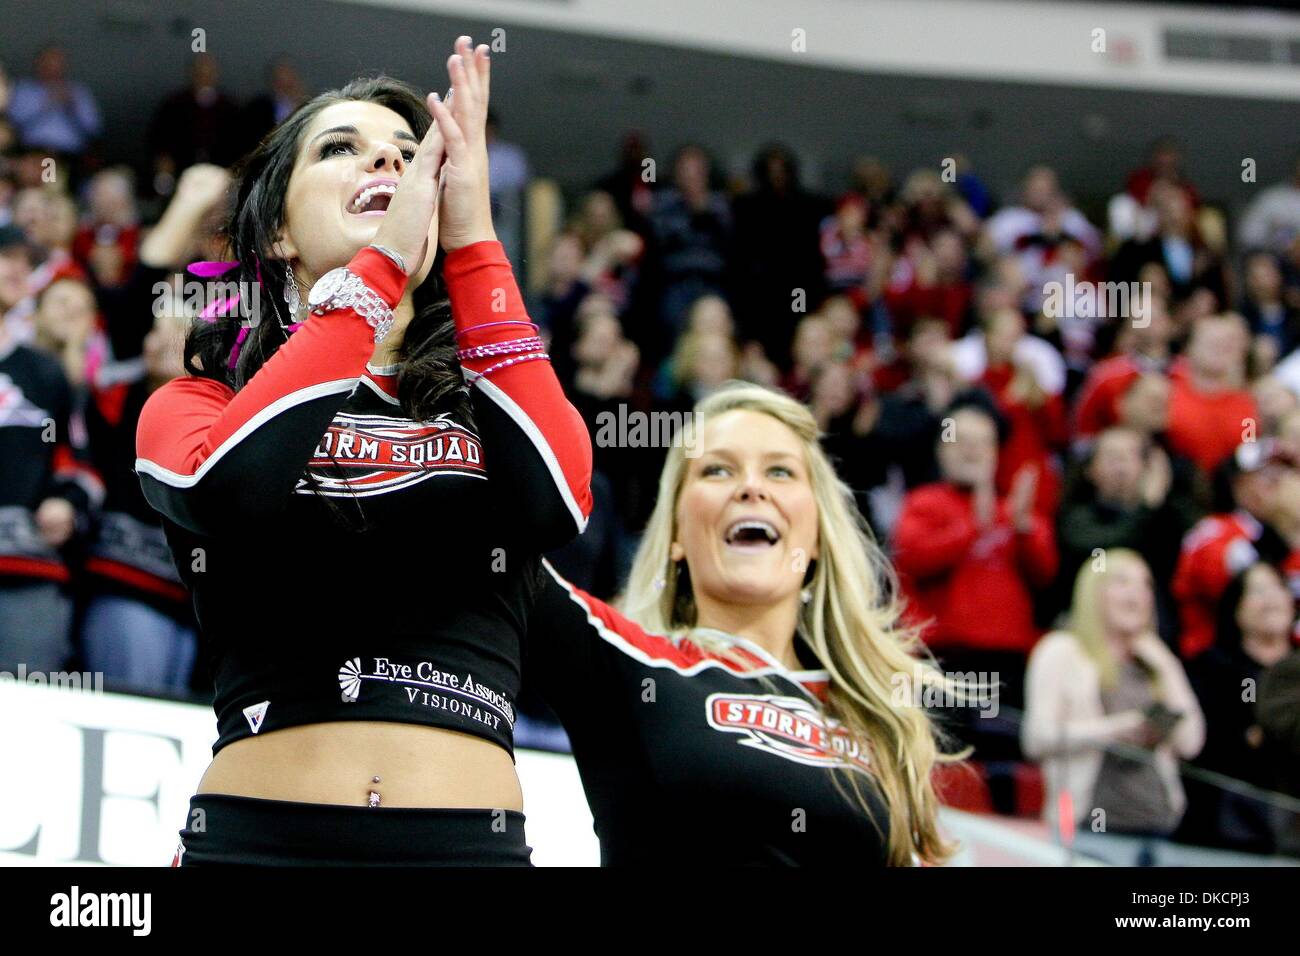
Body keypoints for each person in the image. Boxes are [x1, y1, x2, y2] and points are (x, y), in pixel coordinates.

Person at [135, 42, 592, 866]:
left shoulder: (491, 403)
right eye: (340, 148)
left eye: (410, 153)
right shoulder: (200, 403)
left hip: (465, 849)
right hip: (258, 842)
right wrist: (378, 273)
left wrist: (474, 234)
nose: (387, 157)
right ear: (276, 231)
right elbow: (228, 489)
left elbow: (556, 500)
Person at [525, 382, 962, 865]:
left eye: (779, 470)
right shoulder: (628, 664)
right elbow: (493, 547)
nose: (751, 487)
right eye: (717, 470)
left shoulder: (880, 721)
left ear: (816, 536)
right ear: (675, 534)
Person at [1022, 549, 1205, 866]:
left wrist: (1167, 666)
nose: (1137, 593)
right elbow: (1036, 738)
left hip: (1156, 824)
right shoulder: (1061, 651)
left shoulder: (1153, 660)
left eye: (1145, 584)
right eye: (1122, 582)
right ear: (1094, 592)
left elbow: (1191, 742)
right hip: (1086, 826)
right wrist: (1113, 730)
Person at [1181, 562, 1296, 854]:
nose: (1270, 599)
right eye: (1257, 591)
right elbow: (1207, 746)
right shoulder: (1212, 669)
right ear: (1236, 608)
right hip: (1228, 829)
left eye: (1277, 588)